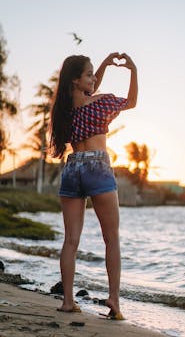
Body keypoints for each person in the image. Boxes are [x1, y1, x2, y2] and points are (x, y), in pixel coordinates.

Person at [49, 52, 138, 320]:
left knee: (71, 241)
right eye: (89, 74)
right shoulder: (101, 103)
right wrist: (133, 70)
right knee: (111, 238)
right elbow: (132, 102)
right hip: (98, 167)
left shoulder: (63, 111)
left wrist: (104, 65)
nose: (94, 78)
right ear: (76, 80)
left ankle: (67, 301)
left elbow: (87, 89)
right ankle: (114, 300)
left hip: (73, 168)